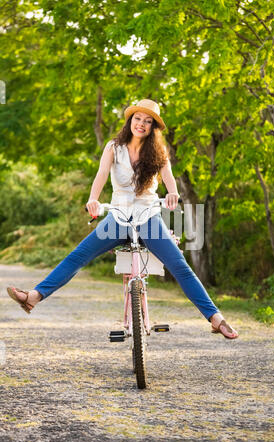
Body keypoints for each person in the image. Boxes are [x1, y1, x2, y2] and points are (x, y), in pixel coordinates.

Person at [7, 99, 238, 339]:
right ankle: (34, 297)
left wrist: (172, 194)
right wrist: (93, 199)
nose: (142, 124)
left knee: (179, 265)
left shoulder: (158, 152)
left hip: (148, 216)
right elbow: (101, 175)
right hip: (117, 217)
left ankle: (215, 318)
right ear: (130, 120)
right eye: (138, 118)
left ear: (153, 128)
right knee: (78, 256)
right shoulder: (113, 147)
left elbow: (170, 181)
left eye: (148, 121)